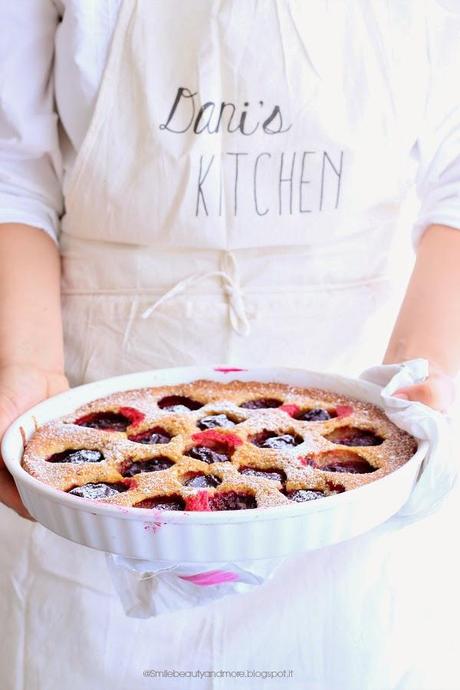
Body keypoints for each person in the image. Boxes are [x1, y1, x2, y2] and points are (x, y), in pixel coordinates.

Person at [0, 2, 459, 689]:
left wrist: (428, 379)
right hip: (92, 408)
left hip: (358, 422)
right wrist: (25, 367)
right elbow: (13, 170)